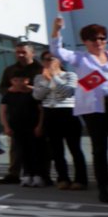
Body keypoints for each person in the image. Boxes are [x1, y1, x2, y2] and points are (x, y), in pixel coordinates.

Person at [50, 18, 108, 202]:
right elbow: (57, 51)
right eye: (93, 39)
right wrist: (57, 29)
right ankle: (104, 187)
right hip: (95, 107)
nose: (98, 42)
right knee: (100, 148)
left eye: (102, 38)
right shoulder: (80, 58)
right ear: (85, 42)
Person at [33, 50, 87, 190]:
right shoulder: (39, 77)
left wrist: (54, 77)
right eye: (45, 59)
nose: (48, 61)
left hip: (68, 112)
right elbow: (38, 96)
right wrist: (47, 81)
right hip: (50, 113)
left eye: (52, 59)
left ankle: (81, 179)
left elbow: (68, 92)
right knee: (56, 150)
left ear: (59, 61)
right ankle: (63, 178)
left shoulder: (70, 75)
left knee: (75, 148)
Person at [0, 42, 43, 184]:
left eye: (23, 52)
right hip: (16, 111)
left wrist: (29, 88)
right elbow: (3, 88)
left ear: (32, 53)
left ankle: (41, 174)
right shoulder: (10, 70)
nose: (20, 55)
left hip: (36, 111)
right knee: (16, 145)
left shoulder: (40, 69)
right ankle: (14, 173)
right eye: (17, 52)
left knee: (38, 146)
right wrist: (12, 90)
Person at [0, 72, 46, 187]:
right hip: (17, 127)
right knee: (22, 151)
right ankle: (27, 175)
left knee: (35, 151)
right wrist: (6, 126)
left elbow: (41, 111)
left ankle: (37, 175)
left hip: (32, 126)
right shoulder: (9, 94)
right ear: (11, 81)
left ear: (27, 80)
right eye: (16, 80)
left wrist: (40, 125)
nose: (19, 83)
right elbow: (3, 111)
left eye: (22, 80)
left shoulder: (34, 93)